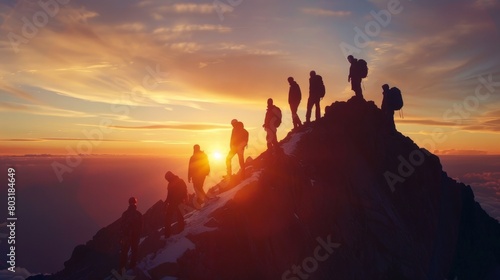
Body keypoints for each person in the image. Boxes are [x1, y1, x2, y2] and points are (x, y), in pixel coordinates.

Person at [119, 197, 143, 271]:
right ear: (136, 203)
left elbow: (122, 226)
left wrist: (122, 236)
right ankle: (132, 268)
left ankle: (121, 271)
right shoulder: (138, 214)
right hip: (135, 237)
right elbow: (141, 227)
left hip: (126, 237)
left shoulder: (125, 214)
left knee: (124, 253)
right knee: (134, 251)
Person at [163, 171, 187, 239]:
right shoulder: (171, 183)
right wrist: (166, 202)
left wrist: (183, 200)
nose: (167, 180)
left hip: (177, 202)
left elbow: (184, 191)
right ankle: (169, 233)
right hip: (174, 202)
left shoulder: (178, 181)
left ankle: (178, 231)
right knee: (173, 217)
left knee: (177, 217)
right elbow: (169, 195)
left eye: (167, 178)